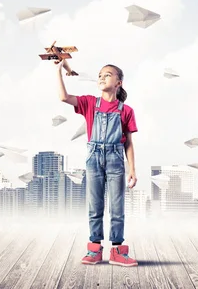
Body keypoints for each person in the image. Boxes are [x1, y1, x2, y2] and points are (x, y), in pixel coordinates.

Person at [57, 60, 139, 267]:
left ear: (119, 82)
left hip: (115, 159)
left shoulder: (126, 110)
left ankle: (118, 251)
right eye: (100, 74)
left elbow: (128, 142)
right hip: (93, 159)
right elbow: (64, 97)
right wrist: (58, 70)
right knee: (95, 207)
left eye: (108, 74)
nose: (102, 77)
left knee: (117, 207)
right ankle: (94, 249)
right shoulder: (89, 103)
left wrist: (132, 169)